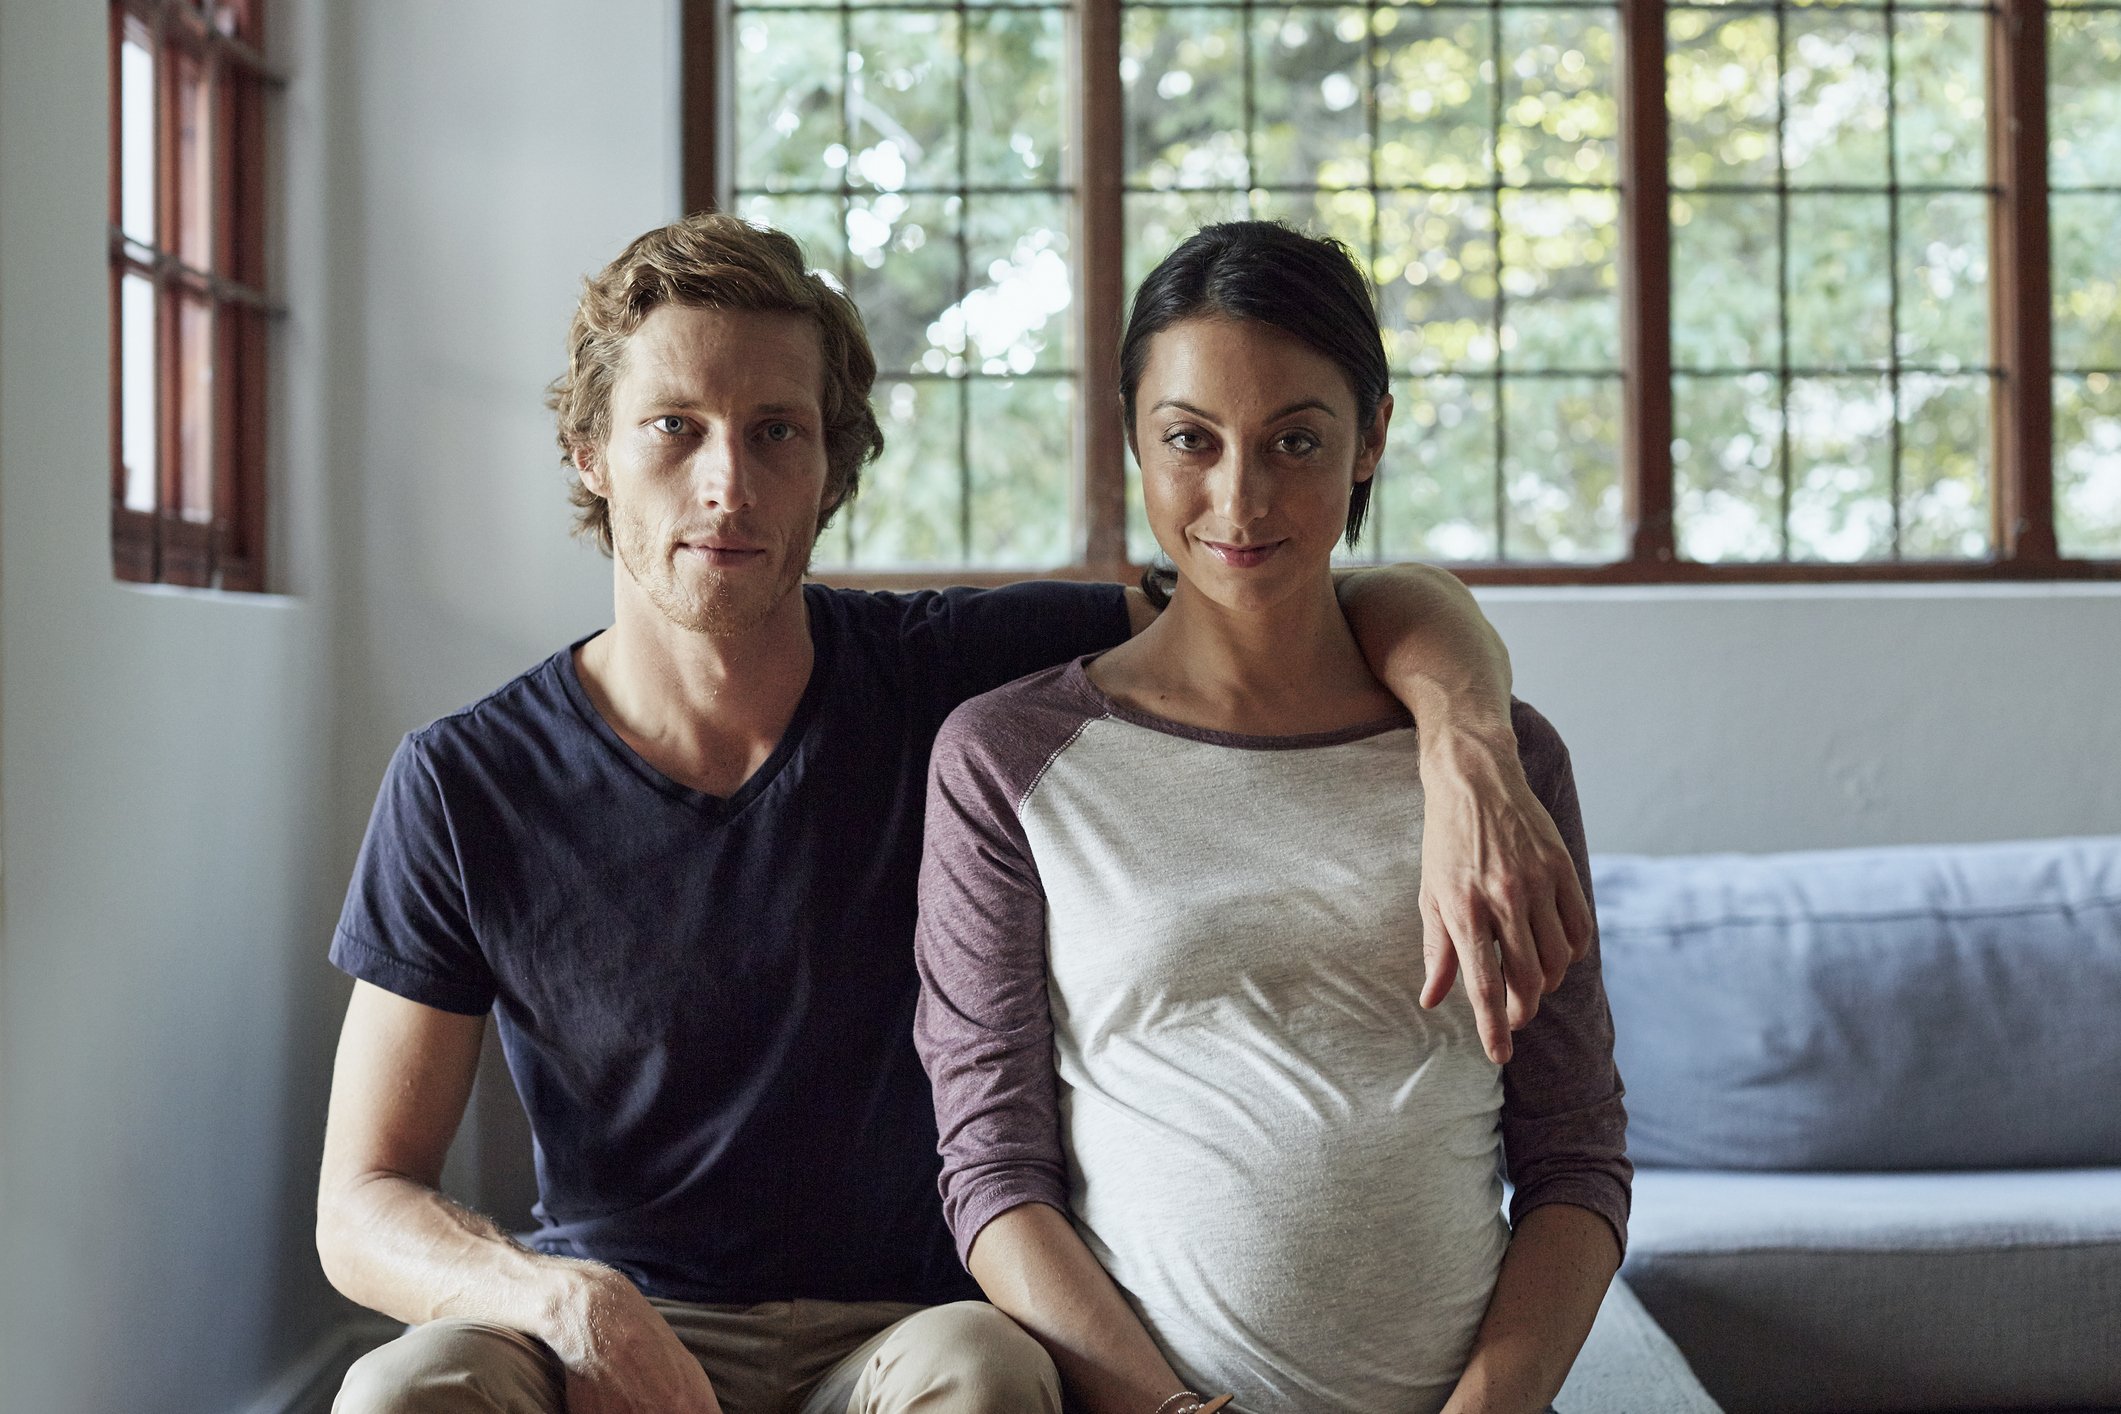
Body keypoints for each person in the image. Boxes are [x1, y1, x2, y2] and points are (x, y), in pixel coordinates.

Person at [316, 213, 1595, 1414]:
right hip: (605, 1310)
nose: (729, 483)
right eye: (674, 429)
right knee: (398, 1394)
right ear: (591, 450)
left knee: (984, 1376)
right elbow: (359, 1199)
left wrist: (1473, 739)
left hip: (908, 1327)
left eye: (776, 432)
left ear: (831, 465)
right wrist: (557, 1298)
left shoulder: (961, 677)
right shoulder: (464, 781)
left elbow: (1278, 584)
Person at [914, 222, 1630, 1414]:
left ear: (1372, 439)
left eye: (1296, 439)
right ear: (1133, 441)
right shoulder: (1007, 761)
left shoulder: (1498, 768)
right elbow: (995, 1177)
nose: (1240, 498)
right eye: (1190, 439)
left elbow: (1575, 1157)